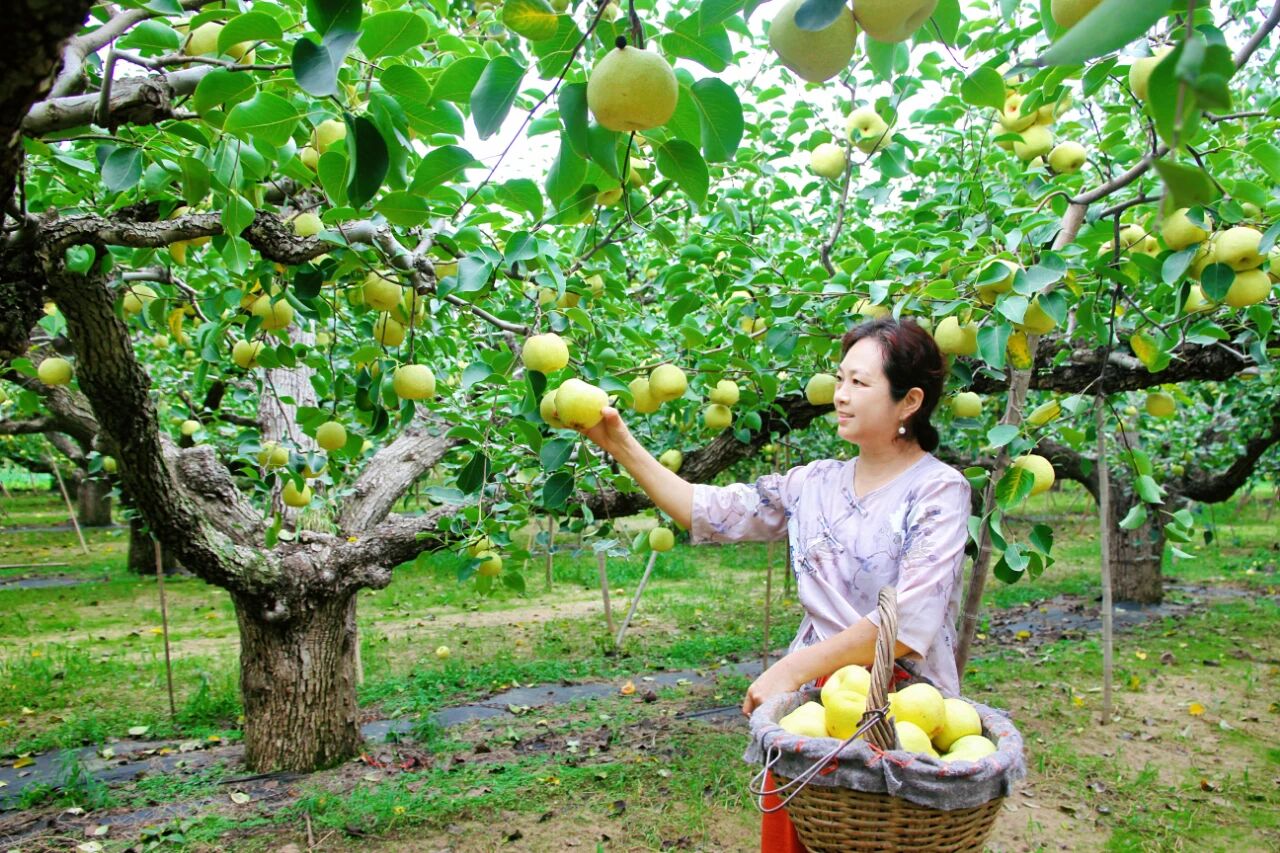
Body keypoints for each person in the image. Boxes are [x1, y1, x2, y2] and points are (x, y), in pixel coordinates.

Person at [580, 317, 972, 852]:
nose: (840, 395)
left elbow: (906, 622)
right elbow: (705, 509)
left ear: (909, 402)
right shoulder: (814, 483)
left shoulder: (938, 491)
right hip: (812, 712)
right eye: (840, 379)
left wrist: (790, 669)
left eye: (859, 383)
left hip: (904, 713)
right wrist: (621, 444)